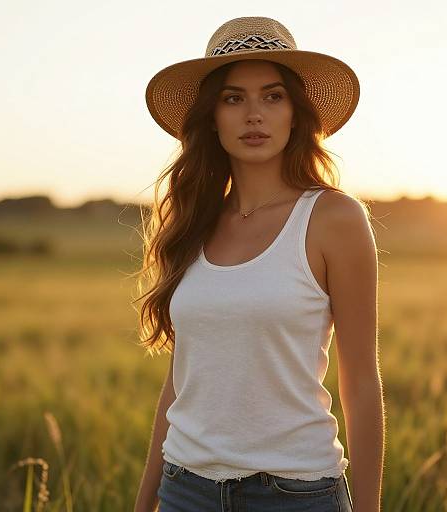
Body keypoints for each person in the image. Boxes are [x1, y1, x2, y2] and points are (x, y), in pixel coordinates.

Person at [134, 16, 384, 512]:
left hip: (296, 493)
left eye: (273, 96)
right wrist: (146, 501)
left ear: (296, 113)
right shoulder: (193, 223)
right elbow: (181, 383)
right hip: (186, 489)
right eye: (233, 98)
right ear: (211, 117)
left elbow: (360, 381)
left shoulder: (333, 218)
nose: (254, 115)